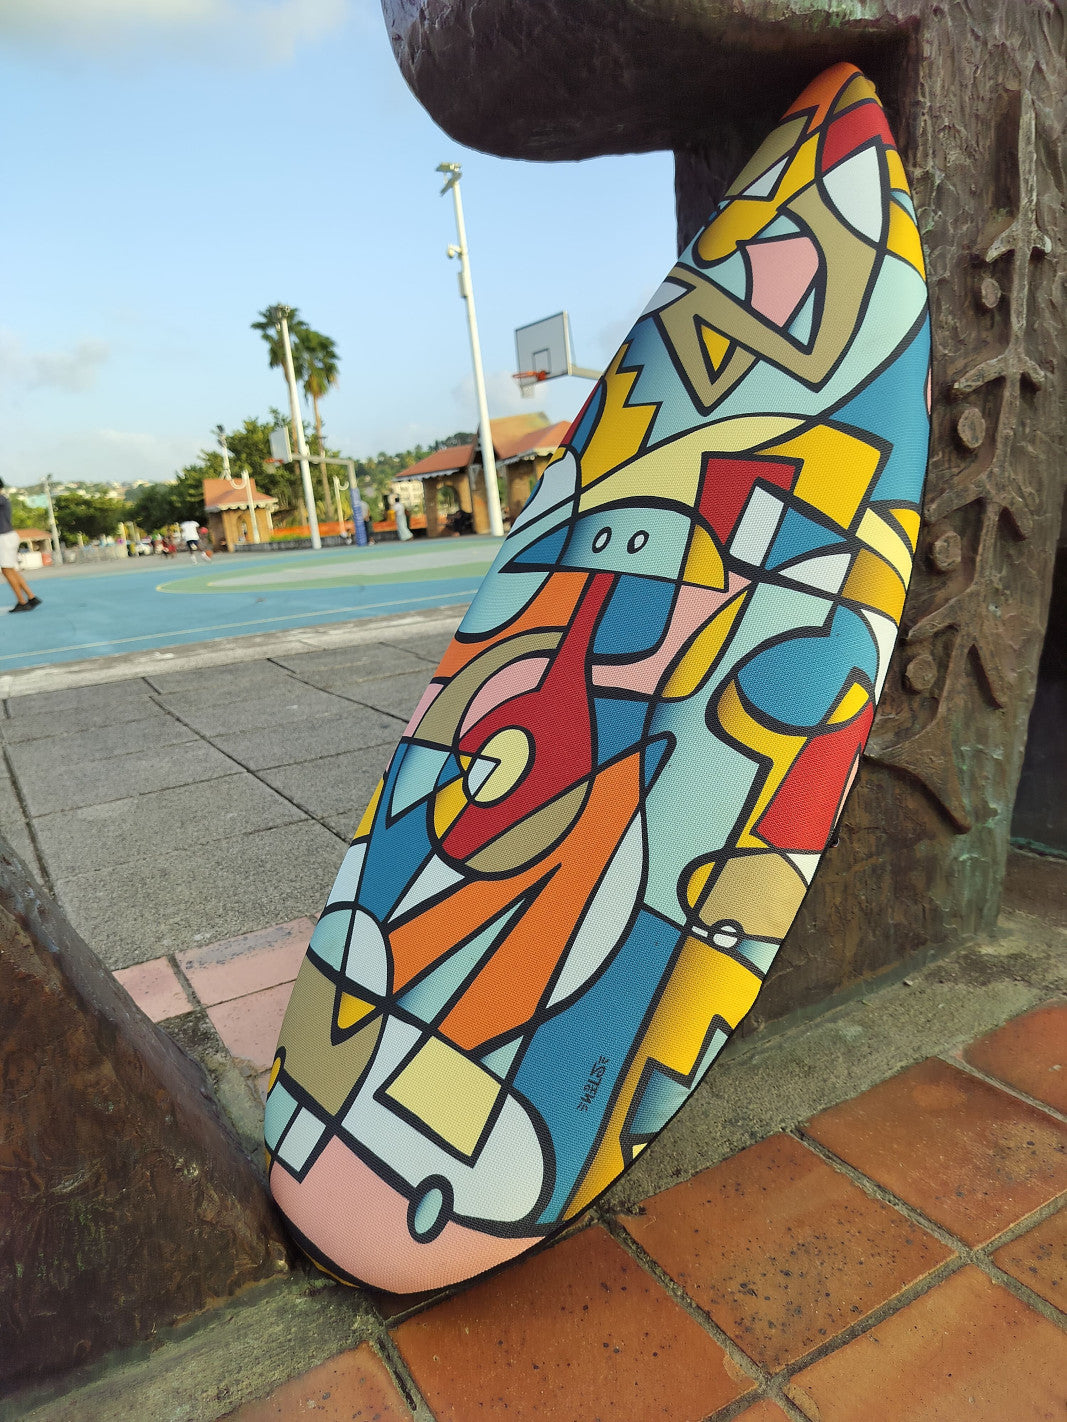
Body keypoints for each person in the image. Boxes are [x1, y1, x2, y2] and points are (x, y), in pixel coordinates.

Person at [0, 479, 39, 613]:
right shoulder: (3, 499)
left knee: (6, 570)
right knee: (10, 569)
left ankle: (22, 601)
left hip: (4, 537)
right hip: (8, 536)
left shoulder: (1, 499)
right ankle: (31, 597)